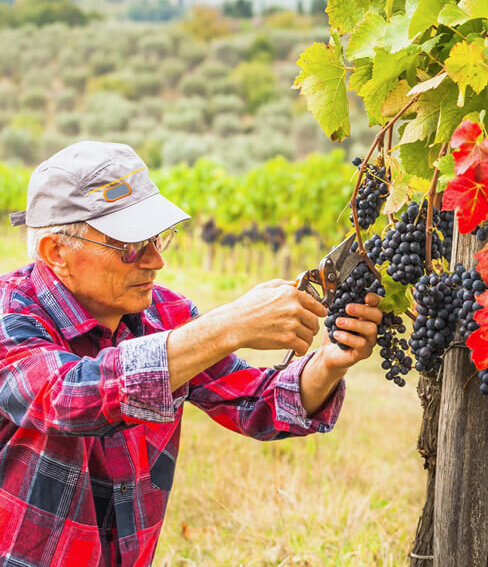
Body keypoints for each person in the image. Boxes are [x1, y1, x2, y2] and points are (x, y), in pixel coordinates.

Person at [0, 141, 383, 567]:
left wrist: (330, 362)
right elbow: (70, 398)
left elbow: (257, 404)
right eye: (130, 246)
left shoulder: (166, 314)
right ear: (58, 253)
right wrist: (228, 326)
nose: (155, 260)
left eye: (157, 238)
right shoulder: (10, 314)